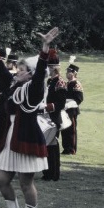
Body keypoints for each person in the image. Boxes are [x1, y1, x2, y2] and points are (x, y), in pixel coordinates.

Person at [0, 27, 59, 208]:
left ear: (30, 74)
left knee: (26, 184)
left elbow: (41, 72)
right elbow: (0, 68)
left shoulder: (35, 90)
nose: (17, 71)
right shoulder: (15, 85)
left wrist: (45, 47)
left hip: (27, 137)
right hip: (11, 138)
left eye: (22, 69)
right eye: (17, 68)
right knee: (1, 180)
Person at [41, 49, 67, 181]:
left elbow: (61, 104)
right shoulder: (49, 81)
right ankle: (47, 172)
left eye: (50, 67)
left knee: (52, 147)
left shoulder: (60, 82)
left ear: (55, 68)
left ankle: (54, 173)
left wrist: (46, 107)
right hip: (46, 117)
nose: (48, 69)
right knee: (47, 146)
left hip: (54, 117)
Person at [61, 57, 83, 155]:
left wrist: (68, 105)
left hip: (72, 109)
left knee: (71, 130)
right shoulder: (66, 83)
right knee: (64, 129)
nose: (67, 73)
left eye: (69, 72)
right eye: (67, 72)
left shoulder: (76, 84)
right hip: (64, 109)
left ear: (74, 73)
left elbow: (79, 98)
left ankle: (72, 149)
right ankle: (66, 148)